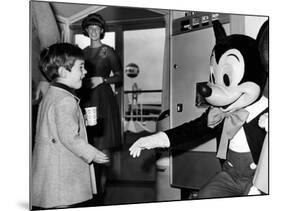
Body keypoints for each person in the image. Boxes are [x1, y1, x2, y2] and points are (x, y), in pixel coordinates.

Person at [32, 43, 109, 209]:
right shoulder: (66, 100)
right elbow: (69, 137)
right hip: (62, 174)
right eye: (81, 67)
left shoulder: (52, 95)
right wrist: (93, 153)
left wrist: (83, 123)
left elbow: (56, 126)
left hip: (50, 171)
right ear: (62, 72)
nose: (85, 72)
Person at [78, 13, 123, 202]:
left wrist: (103, 79)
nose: (94, 31)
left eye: (97, 28)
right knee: (88, 142)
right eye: (91, 28)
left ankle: (101, 195)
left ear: (102, 31)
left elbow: (120, 76)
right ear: (87, 31)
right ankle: (89, 190)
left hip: (103, 100)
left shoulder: (108, 51)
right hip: (87, 99)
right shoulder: (81, 52)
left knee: (103, 144)